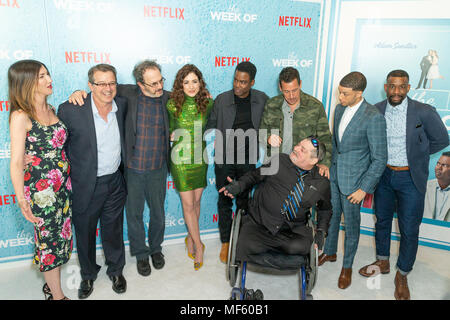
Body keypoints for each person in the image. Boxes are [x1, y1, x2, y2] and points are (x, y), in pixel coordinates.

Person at [68, 60, 170, 276]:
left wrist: (204, 95)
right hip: (132, 169)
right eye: (153, 84)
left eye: (161, 80)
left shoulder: (168, 97)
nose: (159, 87)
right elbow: (99, 90)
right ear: (140, 84)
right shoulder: (126, 95)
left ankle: (156, 249)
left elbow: (191, 97)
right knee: (134, 215)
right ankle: (141, 254)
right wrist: (78, 93)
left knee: (158, 213)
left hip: (158, 168)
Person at [358, 69, 449, 300]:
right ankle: (383, 261)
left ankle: (403, 273)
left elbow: (442, 139)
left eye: (401, 86)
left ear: (408, 88)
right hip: (384, 176)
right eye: (392, 86)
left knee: (409, 228)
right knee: (383, 221)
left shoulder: (424, 112)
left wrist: (417, 154)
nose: (396, 91)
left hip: (410, 178)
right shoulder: (375, 110)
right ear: (386, 87)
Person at [58, 64, 128, 299]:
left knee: (113, 229)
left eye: (112, 82)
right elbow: (57, 145)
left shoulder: (124, 104)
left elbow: (151, 89)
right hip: (86, 185)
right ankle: (88, 275)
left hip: (116, 182)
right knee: (85, 233)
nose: (108, 88)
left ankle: (116, 270)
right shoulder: (70, 109)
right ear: (90, 86)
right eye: (101, 83)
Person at [8, 59, 72, 300]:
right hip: (40, 192)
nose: (49, 80)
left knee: (61, 237)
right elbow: (15, 161)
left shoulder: (52, 109)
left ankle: (49, 286)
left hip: (63, 187)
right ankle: (57, 296)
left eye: (48, 74)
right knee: (49, 243)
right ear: (26, 83)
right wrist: (21, 199)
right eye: (41, 77)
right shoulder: (20, 116)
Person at [319, 72, 387, 290]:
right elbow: (336, 143)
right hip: (335, 176)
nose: (340, 97)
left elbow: (380, 159)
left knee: (351, 227)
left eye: (345, 94)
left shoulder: (373, 116)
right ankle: (329, 253)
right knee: (331, 218)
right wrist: (329, 166)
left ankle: (347, 267)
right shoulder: (339, 109)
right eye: (340, 92)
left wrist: (363, 189)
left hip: (355, 185)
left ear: (359, 94)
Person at [219, 137, 332, 262]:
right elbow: (254, 176)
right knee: (246, 245)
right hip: (260, 223)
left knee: (302, 248)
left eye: (302, 150)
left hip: (292, 231)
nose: (295, 148)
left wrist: (321, 231)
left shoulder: (322, 182)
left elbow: (325, 209)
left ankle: (268, 252)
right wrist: (239, 185)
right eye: (298, 144)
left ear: (314, 160)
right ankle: (277, 255)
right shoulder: (279, 161)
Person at [205, 61, 268, 263]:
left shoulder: (262, 99)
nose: (238, 85)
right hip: (224, 159)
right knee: (225, 199)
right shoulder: (222, 100)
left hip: (248, 161)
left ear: (252, 82)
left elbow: (274, 118)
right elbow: (211, 126)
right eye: (235, 80)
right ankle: (225, 242)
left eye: (243, 82)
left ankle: (240, 240)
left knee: (244, 202)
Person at [167, 64, 213, 271]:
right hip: (181, 160)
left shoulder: (207, 103)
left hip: (200, 158)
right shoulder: (171, 105)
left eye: (195, 81)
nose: (191, 86)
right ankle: (199, 244)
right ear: (180, 85)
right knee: (187, 205)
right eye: (186, 82)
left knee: (196, 202)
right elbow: (167, 129)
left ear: (200, 83)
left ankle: (190, 237)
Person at [259, 67, 332, 177]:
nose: (291, 96)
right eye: (286, 91)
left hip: (302, 169)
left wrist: (324, 163)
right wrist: (268, 138)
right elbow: (261, 133)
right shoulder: (271, 104)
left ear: (300, 84)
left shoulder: (315, 106)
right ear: (280, 87)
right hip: (274, 166)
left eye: (294, 90)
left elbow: (325, 138)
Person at [424, 152, 450, 221]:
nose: (439, 168)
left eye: (444, 165)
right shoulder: (424, 187)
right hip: (424, 229)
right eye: (438, 164)